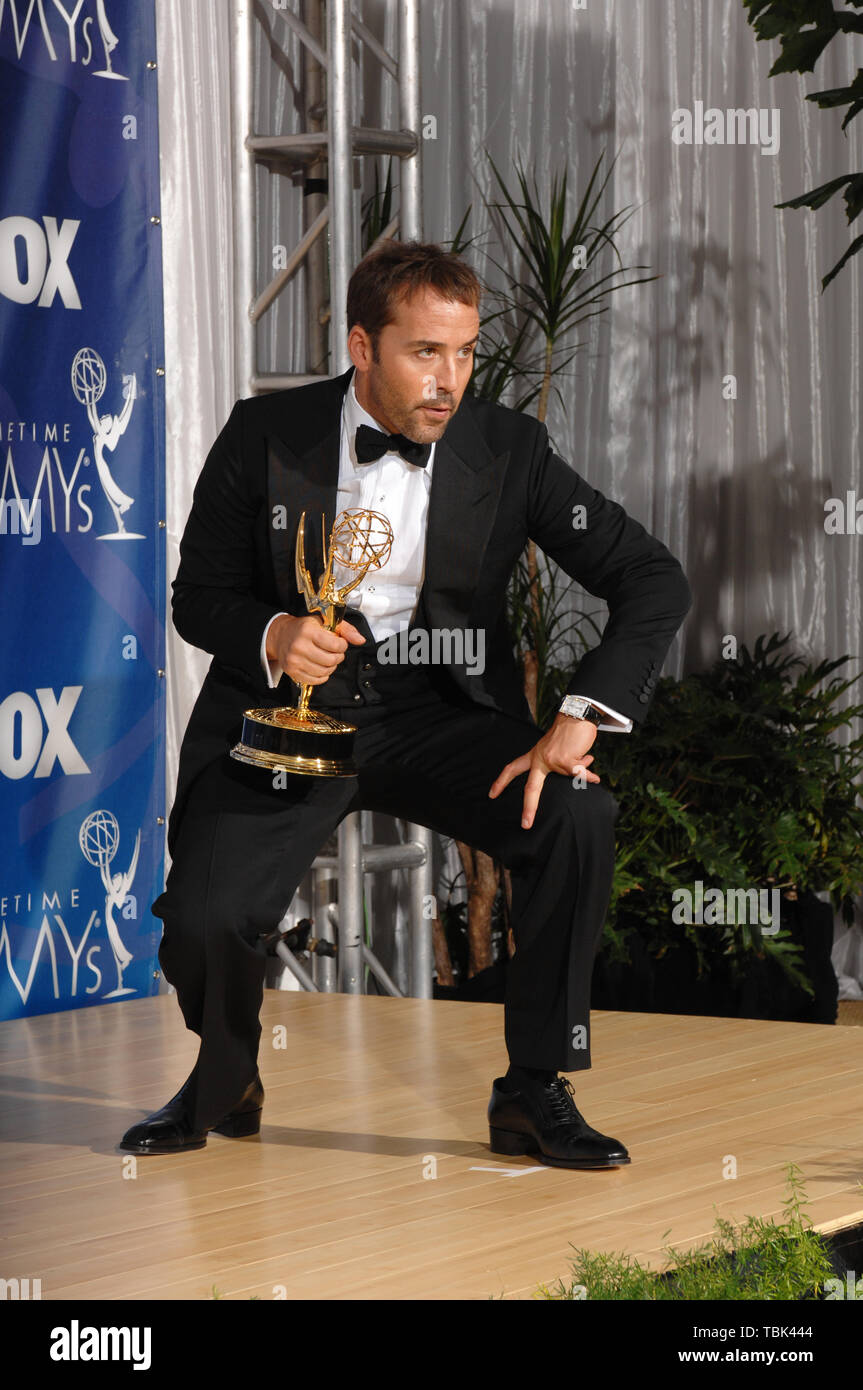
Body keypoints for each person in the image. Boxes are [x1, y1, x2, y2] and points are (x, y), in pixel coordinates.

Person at [119, 240, 692, 1168]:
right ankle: (225, 1075)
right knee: (203, 918)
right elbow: (196, 598)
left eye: (465, 352)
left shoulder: (508, 450)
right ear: (361, 344)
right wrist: (271, 633)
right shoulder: (262, 436)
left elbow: (649, 577)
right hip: (290, 712)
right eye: (426, 352)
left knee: (576, 811)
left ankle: (533, 1088)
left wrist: (579, 714)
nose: (451, 378)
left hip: (440, 705)